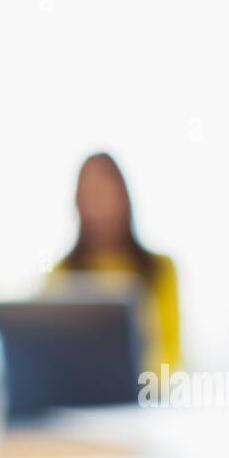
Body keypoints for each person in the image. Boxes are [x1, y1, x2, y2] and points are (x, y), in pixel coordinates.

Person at [49, 153, 180, 371]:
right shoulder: (60, 273)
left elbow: (171, 355)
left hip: (145, 396)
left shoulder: (160, 268)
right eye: (89, 196)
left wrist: (139, 383)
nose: (97, 207)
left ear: (124, 197)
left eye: (103, 194)